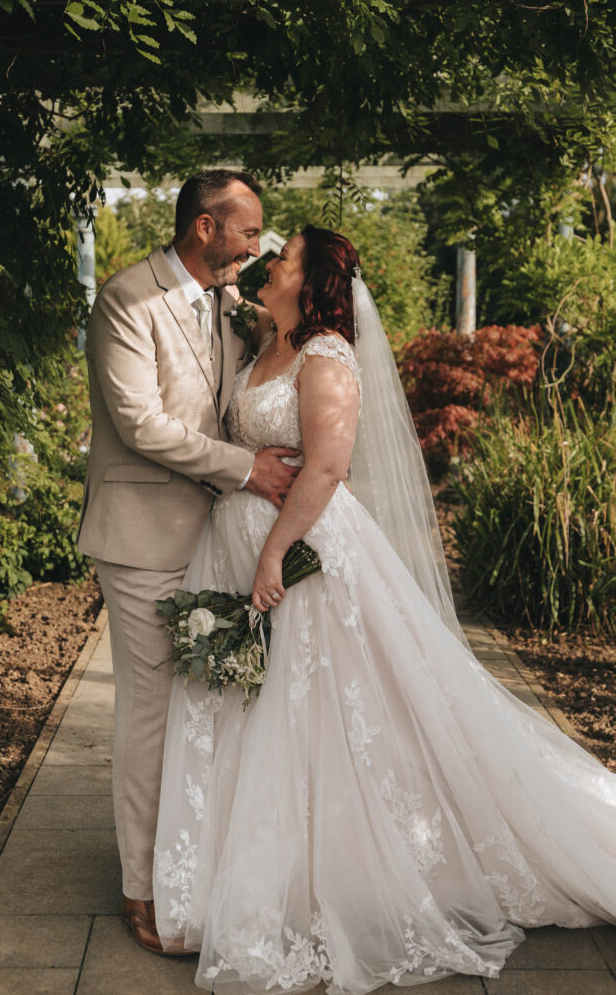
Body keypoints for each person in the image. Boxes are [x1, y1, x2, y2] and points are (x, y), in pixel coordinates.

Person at [152, 225, 616, 990]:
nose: (270, 262)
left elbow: (328, 465)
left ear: (311, 281)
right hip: (235, 545)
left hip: (301, 554)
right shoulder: (262, 338)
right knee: (246, 704)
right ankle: (242, 863)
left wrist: (273, 555)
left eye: (286, 256)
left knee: (323, 710)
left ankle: (335, 865)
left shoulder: (325, 355)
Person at [76, 170, 300, 955]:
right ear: (205, 227)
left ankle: (193, 867)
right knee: (151, 714)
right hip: (142, 538)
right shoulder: (125, 299)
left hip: (217, 537)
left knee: (208, 706)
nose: (256, 246)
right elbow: (139, 423)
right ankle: (142, 887)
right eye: (246, 231)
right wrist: (245, 469)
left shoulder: (229, 305)